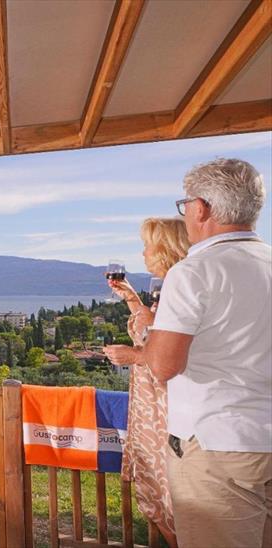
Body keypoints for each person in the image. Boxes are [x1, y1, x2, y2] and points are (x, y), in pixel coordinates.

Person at [140, 158, 271, 548]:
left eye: (185, 205)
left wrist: (149, 336)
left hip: (218, 444)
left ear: (201, 208)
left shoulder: (194, 272)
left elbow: (163, 366)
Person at [104, 217, 189, 547]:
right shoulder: (166, 290)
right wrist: (130, 298)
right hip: (150, 405)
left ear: (165, 249)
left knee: (171, 497)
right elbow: (151, 331)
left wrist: (133, 356)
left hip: (165, 408)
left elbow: (167, 351)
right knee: (158, 496)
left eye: (147, 246)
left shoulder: (181, 291)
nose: (143, 253)